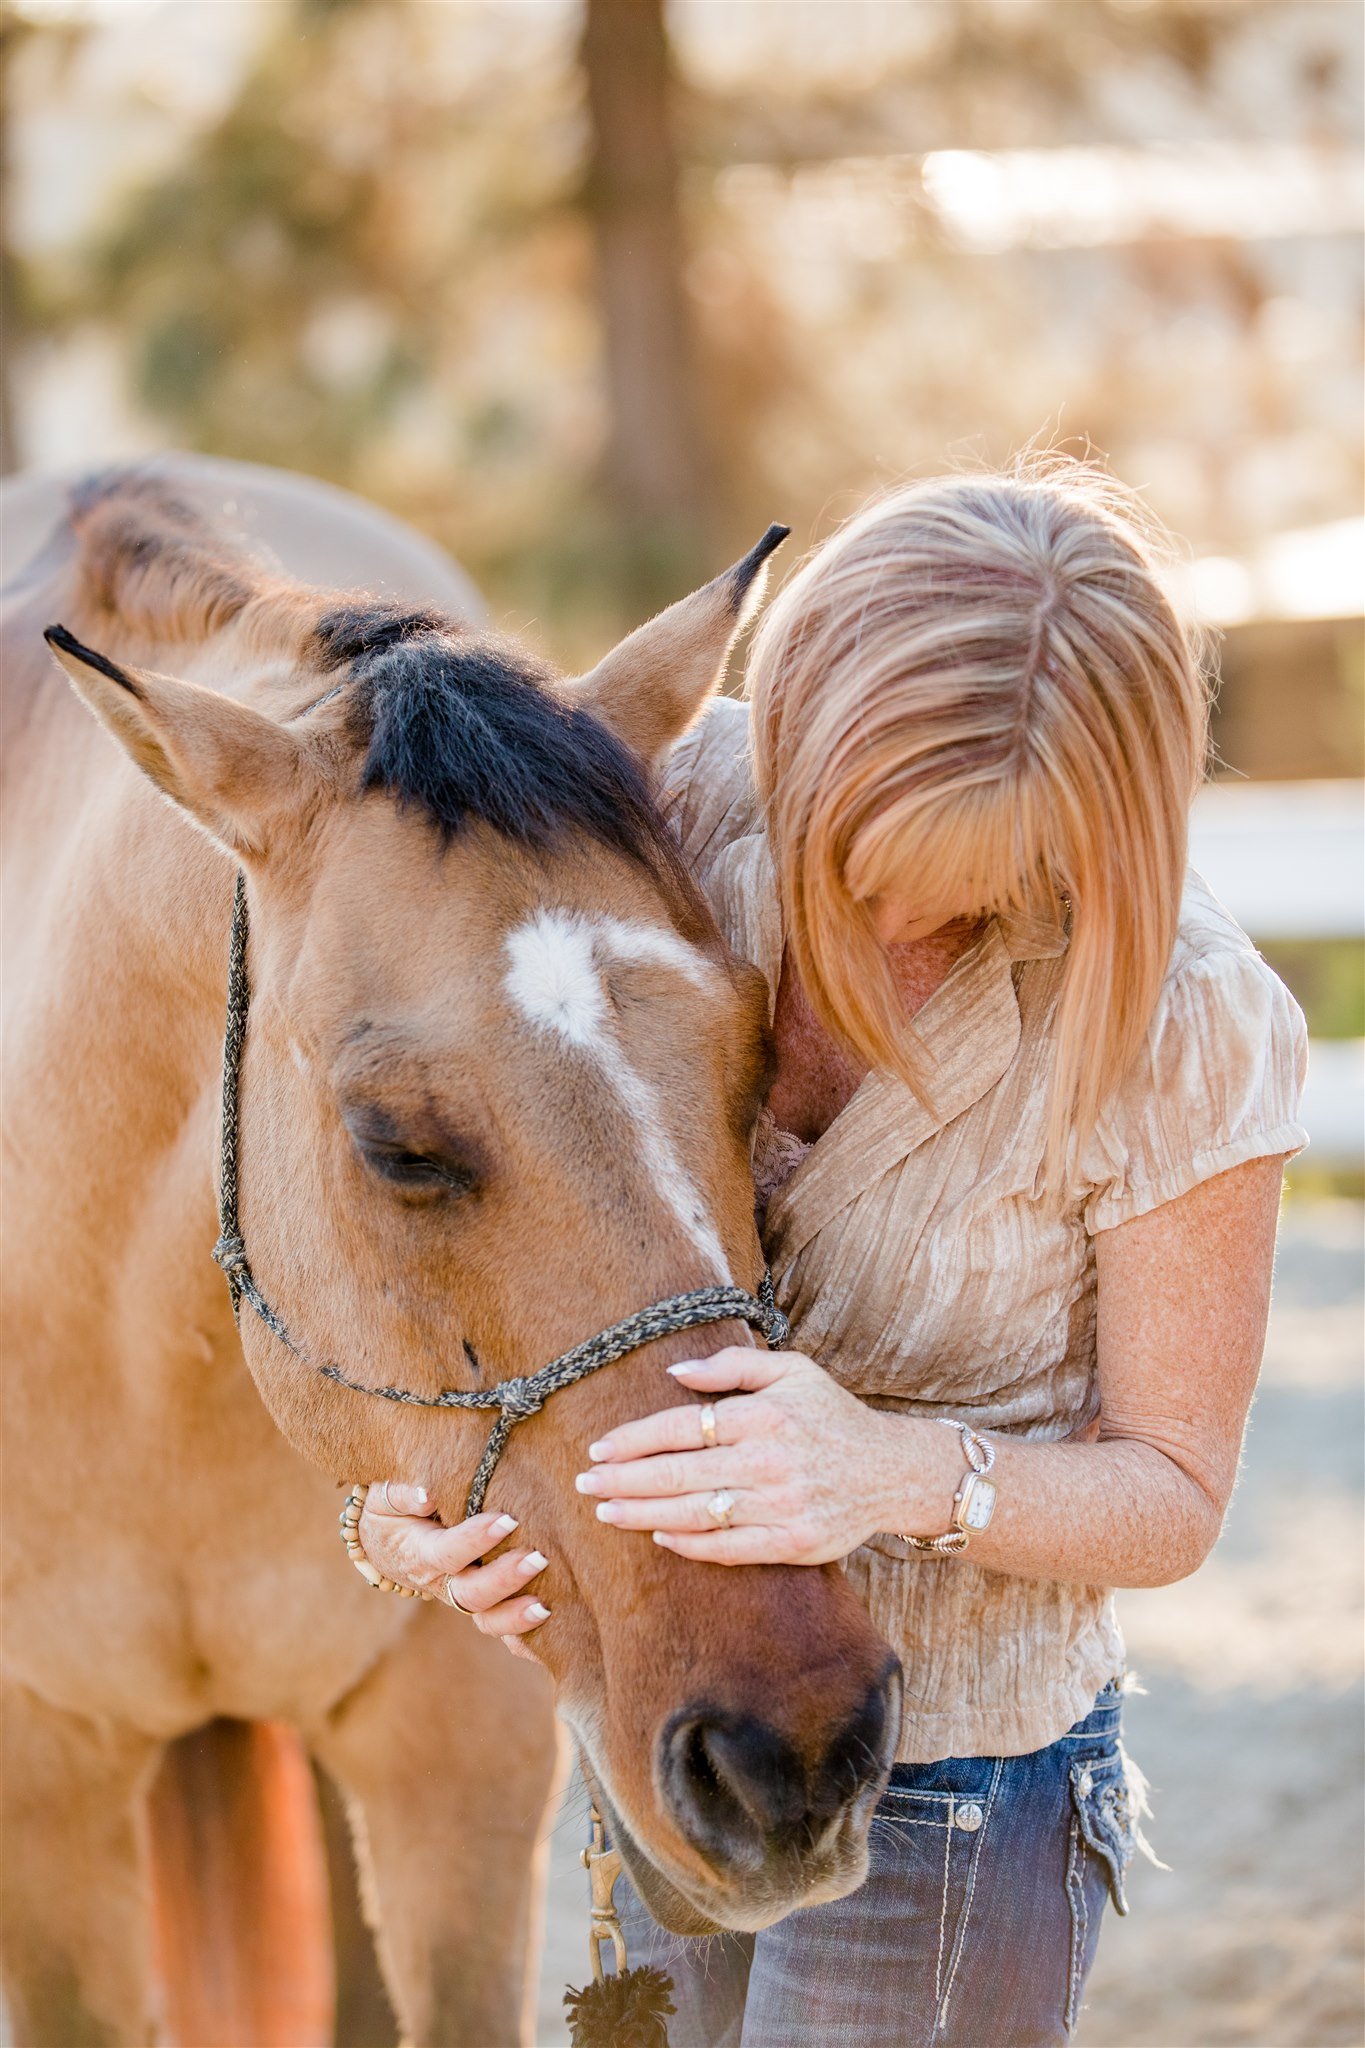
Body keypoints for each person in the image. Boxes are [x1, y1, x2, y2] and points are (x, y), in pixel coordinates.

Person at [355, 459, 1307, 2047]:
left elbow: (1172, 1495)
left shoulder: (1186, 1023)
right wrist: (396, 1501)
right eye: (850, 849)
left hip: (954, 1783)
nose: (889, 926)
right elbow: (440, 1182)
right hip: (668, 1716)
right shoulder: (659, 813)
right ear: (794, 726)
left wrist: (893, 1477)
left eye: (993, 885)